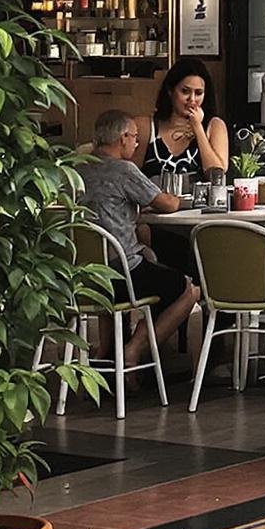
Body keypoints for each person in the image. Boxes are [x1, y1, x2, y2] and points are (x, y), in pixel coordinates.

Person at [75, 110, 201, 367]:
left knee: (148, 268)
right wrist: (176, 198)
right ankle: (135, 350)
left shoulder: (78, 169)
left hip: (83, 278)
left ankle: (106, 353)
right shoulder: (124, 170)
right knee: (187, 289)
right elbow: (166, 204)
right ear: (122, 138)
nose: (136, 142)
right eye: (134, 137)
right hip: (122, 275)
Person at [144, 58, 230, 179]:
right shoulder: (148, 126)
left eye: (199, 93)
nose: (192, 99)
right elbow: (129, 174)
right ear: (170, 90)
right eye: (185, 91)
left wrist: (197, 127)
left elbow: (216, 174)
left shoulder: (215, 126)